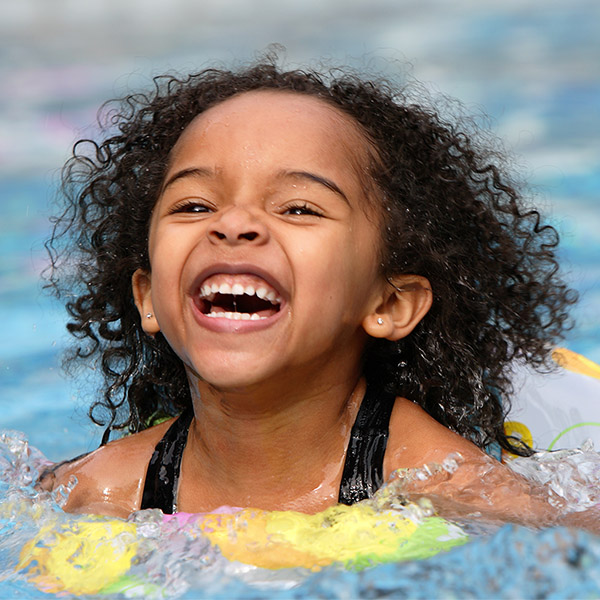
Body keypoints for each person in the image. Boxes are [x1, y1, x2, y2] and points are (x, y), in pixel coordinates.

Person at [41, 59, 580, 524]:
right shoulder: (97, 492)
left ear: (389, 304)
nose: (234, 223)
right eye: (194, 205)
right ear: (149, 298)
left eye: (299, 208)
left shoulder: (444, 487)